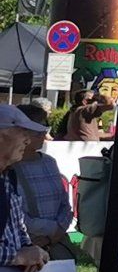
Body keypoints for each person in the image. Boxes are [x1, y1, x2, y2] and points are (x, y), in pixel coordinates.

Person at [11, 106, 74, 259]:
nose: (43, 134)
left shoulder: (49, 162)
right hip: (22, 247)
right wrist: (51, 230)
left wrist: (54, 235)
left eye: (44, 128)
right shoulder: (7, 167)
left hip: (55, 243)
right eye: (37, 130)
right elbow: (13, 214)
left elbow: (65, 204)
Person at [0, 106, 51, 272]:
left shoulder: (9, 175)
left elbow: (16, 227)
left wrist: (31, 251)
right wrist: (17, 257)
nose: (27, 141)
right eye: (23, 133)